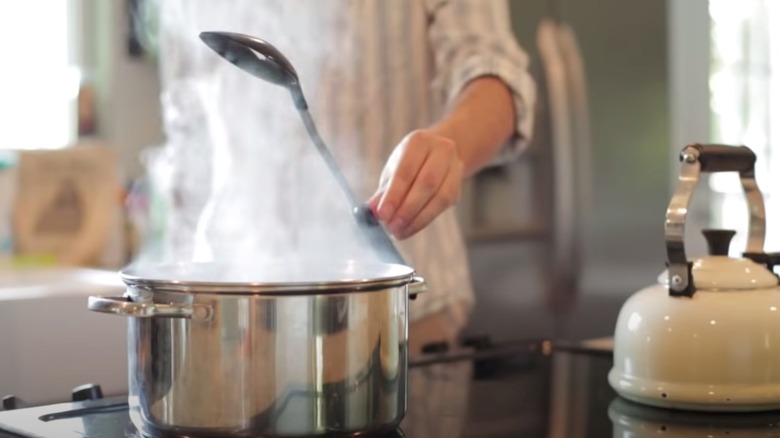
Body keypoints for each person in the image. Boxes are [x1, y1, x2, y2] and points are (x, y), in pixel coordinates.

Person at [156, 0, 536, 355]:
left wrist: (448, 145)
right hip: (229, 311)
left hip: (392, 318)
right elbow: (186, 127)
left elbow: (494, 69)